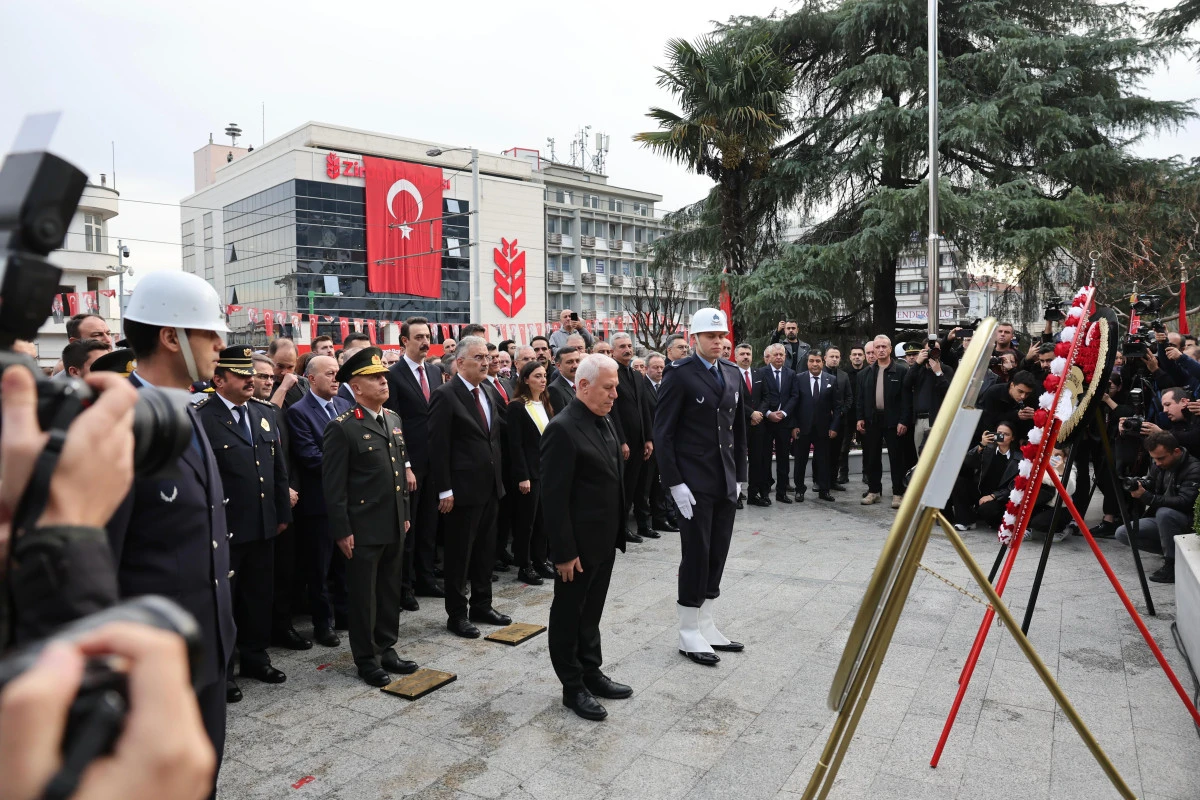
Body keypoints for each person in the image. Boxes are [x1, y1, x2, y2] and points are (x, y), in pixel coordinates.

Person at [103, 270, 234, 789]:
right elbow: (99, 567)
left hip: (209, 647)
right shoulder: (118, 423)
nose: (221, 344)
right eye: (208, 333)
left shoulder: (190, 410)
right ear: (168, 336)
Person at [194, 347, 292, 703]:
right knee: (227, 603)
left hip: (264, 525)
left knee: (258, 596)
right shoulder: (202, 418)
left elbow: (277, 469)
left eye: (251, 373)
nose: (250, 379)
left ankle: (256, 657)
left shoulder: (264, 413)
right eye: (240, 374)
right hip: (227, 528)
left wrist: (282, 513)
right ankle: (225, 671)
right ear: (218, 380)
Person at [655, 308, 747, 667]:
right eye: (711, 337)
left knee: (717, 553)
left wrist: (739, 475)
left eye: (722, 336)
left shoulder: (732, 372)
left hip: (724, 480)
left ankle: (707, 623)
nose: (719, 342)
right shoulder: (679, 375)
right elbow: (663, 434)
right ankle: (688, 630)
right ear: (695, 339)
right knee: (696, 553)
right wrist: (674, 483)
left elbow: (737, 431)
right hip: (693, 483)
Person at [543, 353, 631, 720]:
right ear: (583, 386)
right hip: (576, 548)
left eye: (616, 388)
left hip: (603, 538)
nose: (615, 395)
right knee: (569, 614)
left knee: (591, 613)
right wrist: (563, 552)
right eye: (609, 388)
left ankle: (591, 671)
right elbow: (553, 497)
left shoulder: (604, 419)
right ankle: (572, 686)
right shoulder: (562, 428)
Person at [322, 348, 417, 686]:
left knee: (389, 590)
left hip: (393, 522)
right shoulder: (343, 428)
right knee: (364, 597)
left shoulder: (392, 419)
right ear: (356, 387)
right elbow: (334, 487)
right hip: (362, 527)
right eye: (374, 377)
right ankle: (366, 658)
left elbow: (397, 473)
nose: (383, 380)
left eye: (384, 375)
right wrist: (342, 530)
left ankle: (386, 647)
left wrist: (403, 514)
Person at [428, 336, 512, 638]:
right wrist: (445, 489)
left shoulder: (487, 390)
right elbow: (437, 446)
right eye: (478, 357)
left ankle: (482, 604)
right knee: (460, 554)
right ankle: (457, 614)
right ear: (460, 362)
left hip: (489, 487)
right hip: (461, 491)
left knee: (485, 551)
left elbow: (494, 439)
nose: (485, 362)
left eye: (487, 357)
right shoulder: (445, 395)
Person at [286, 355, 352, 647]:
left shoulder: (344, 406)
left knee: (346, 562)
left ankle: (346, 614)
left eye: (337, 373)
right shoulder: (299, 412)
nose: (336, 379)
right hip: (318, 502)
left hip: (346, 498)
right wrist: (349, 463)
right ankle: (322, 623)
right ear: (311, 379)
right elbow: (309, 456)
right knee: (319, 567)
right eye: (329, 374)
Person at [384, 317, 446, 601]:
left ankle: (426, 578)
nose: (425, 341)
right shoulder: (393, 376)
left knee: (430, 525)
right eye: (419, 337)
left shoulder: (435, 373)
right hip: (410, 464)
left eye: (427, 336)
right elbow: (393, 425)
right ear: (404, 341)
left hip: (435, 460)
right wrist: (405, 464)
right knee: (408, 527)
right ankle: (404, 586)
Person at [1116, 431, 1200, 583]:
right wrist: (1142, 486)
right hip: (1166, 520)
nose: (1157, 463)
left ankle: (1171, 564)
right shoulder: (1158, 465)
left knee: (1165, 513)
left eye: (1161, 458)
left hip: (1189, 521)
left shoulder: (1194, 468)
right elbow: (1152, 483)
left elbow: (1186, 502)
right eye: (1154, 458)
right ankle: (1180, 554)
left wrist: (1148, 497)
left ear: (1176, 451)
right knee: (1123, 532)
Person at [508, 360, 557, 585]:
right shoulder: (518, 406)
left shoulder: (545, 402)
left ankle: (540, 560)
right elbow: (515, 445)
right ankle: (524, 565)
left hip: (546, 470)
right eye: (537, 376)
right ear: (526, 379)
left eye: (544, 375)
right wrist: (522, 476)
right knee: (526, 521)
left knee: (543, 521)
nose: (543, 380)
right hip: (529, 473)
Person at [856, 335, 912, 508]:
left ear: (890, 349)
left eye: (883, 347)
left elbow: (906, 399)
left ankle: (898, 493)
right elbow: (860, 399)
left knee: (897, 458)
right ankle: (874, 491)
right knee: (872, 457)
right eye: (877, 347)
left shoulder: (901, 371)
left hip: (894, 421)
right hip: (872, 420)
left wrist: (904, 420)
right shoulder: (865, 373)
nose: (880, 350)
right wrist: (859, 418)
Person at [610, 333, 655, 542]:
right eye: (622, 347)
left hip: (639, 441)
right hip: (623, 442)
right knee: (624, 488)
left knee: (640, 485)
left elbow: (643, 407)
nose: (627, 349)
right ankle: (621, 529)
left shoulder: (637, 375)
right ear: (613, 351)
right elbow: (614, 410)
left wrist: (648, 438)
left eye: (629, 345)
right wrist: (621, 441)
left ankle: (643, 525)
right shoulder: (611, 374)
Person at [791, 351, 840, 502]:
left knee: (823, 460)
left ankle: (824, 490)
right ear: (807, 363)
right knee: (800, 460)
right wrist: (794, 426)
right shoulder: (799, 379)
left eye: (818, 361)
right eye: (811, 361)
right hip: (802, 428)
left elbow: (837, 406)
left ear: (822, 362)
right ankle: (799, 490)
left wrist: (834, 427)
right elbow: (793, 404)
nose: (815, 364)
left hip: (823, 429)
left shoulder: (831, 379)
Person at [952, 422, 1021, 530]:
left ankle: (996, 523)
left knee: (987, 510)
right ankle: (966, 521)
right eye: (999, 433)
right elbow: (967, 462)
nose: (1001, 436)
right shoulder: (987, 449)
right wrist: (981, 445)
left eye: (1006, 434)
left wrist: (994, 496)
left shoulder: (1018, 458)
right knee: (959, 482)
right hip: (980, 490)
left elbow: (1015, 486)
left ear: (1013, 438)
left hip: (1000, 498)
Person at [755, 343, 798, 504]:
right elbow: (759, 397)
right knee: (765, 458)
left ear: (785, 357)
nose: (779, 357)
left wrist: (784, 413)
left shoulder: (791, 374)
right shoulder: (761, 373)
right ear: (770, 357)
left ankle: (781, 492)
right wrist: (768, 414)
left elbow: (794, 396)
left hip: (784, 423)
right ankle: (765, 492)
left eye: (782, 355)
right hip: (766, 422)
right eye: (776, 355)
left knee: (783, 459)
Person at [642, 352, 679, 528]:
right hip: (649, 442)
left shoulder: (666, 385)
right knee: (648, 483)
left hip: (666, 441)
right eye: (655, 367)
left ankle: (664, 516)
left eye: (661, 367)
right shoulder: (642, 387)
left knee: (662, 483)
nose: (659, 370)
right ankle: (649, 520)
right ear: (646, 369)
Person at [904, 339, 955, 453]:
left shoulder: (946, 369)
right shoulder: (918, 369)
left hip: (936, 420)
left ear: (940, 351)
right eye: (928, 350)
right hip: (918, 420)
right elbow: (906, 383)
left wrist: (938, 372)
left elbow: (949, 393)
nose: (932, 352)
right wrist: (917, 363)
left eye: (935, 350)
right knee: (920, 456)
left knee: (935, 455)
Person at [975, 370, 1038, 442]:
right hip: (989, 436)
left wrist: (1033, 416)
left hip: (1014, 438)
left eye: (1027, 394)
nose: (1023, 396)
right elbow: (989, 420)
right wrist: (1016, 415)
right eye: (1020, 391)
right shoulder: (994, 392)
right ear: (1012, 385)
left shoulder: (1031, 397)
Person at [823, 346, 854, 490]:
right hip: (822, 420)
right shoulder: (819, 373)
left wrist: (841, 412)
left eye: (837, 357)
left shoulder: (843, 375)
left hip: (840, 420)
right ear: (825, 358)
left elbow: (849, 397)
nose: (834, 359)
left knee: (837, 452)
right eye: (831, 356)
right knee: (821, 452)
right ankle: (820, 481)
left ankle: (833, 480)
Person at [548, 346, 582, 412]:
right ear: (558, 366)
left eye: (577, 361)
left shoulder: (584, 384)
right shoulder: (554, 389)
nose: (575, 365)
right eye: (570, 362)